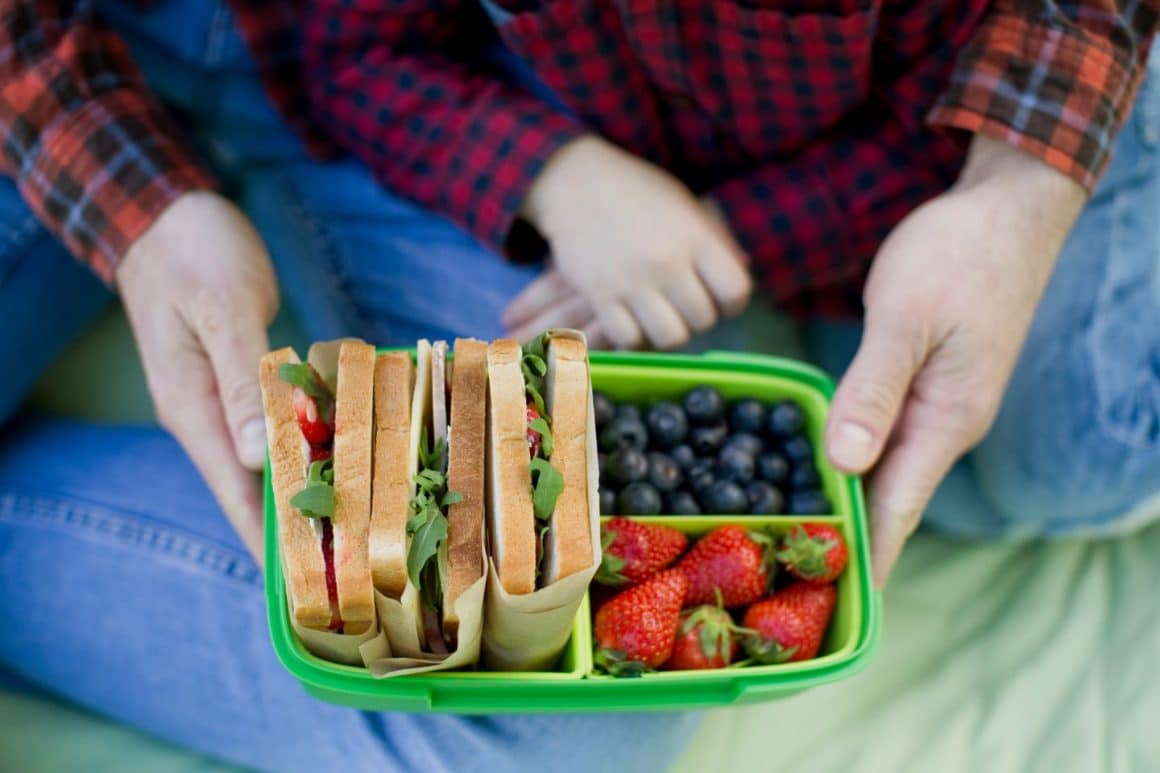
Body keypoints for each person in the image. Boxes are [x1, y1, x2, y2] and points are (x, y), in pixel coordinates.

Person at [0, 0, 1156, 770]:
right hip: (60, 67)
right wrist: (134, 203)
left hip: (374, 88)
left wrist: (1012, 185)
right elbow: (371, 52)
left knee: (562, 687)